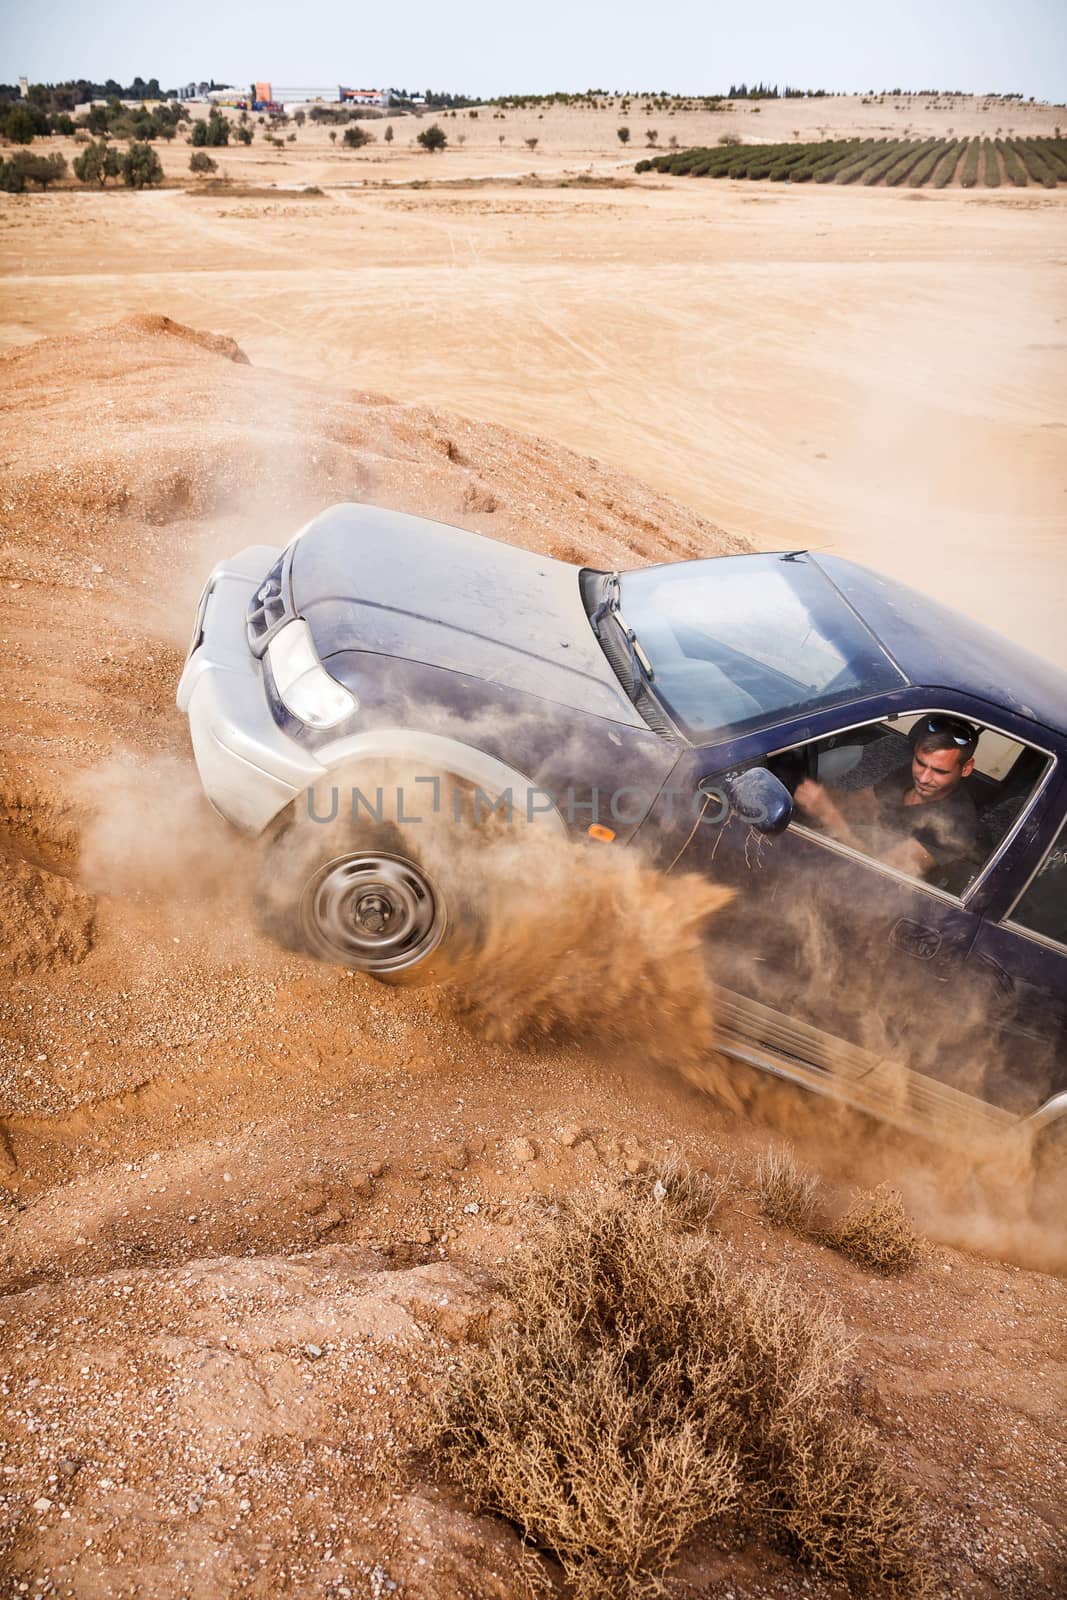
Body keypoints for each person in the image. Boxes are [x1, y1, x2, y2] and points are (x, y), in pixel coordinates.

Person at [794, 715, 983, 889]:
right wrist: (817, 793)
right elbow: (860, 803)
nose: (924, 778)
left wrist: (828, 814)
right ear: (916, 750)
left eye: (940, 771)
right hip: (851, 852)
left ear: (966, 768)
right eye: (920, 763)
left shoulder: (956, 826)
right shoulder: (908, 776)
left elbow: (878, 873)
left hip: (876, 897)